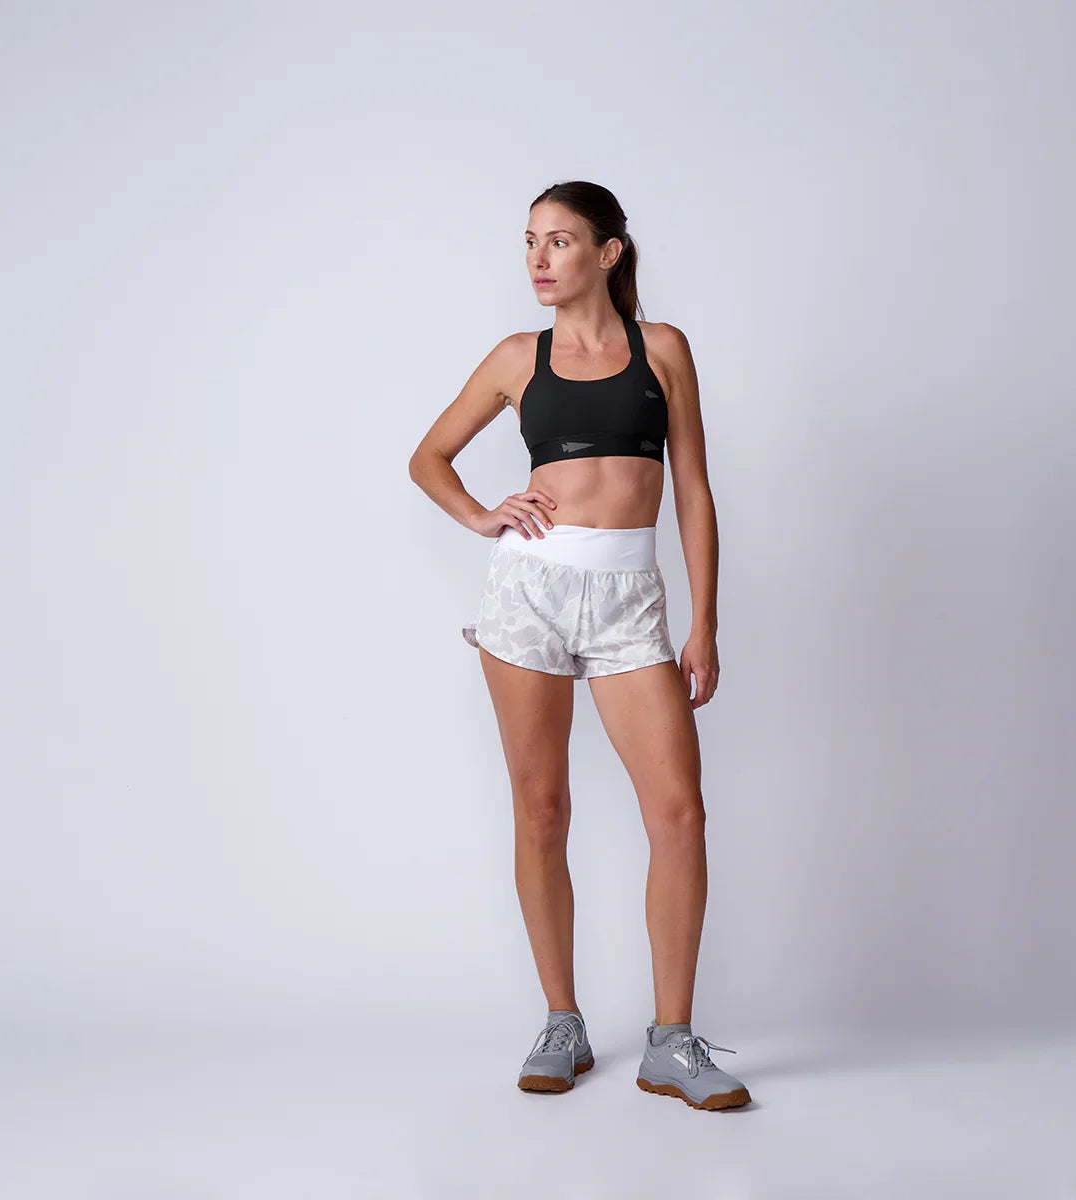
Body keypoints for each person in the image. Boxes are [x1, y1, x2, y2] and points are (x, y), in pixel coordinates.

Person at [408, 180, 750, 1111]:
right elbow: (426, 457)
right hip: (530, 595)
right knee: (542, 808)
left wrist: (704, 619)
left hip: (630, 601)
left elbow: (693, 494)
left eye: (560, 241)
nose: (539, 258)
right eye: (529, 242)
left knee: (679, 814)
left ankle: (671, 1044)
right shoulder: (518, 357)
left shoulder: (663, 350)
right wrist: (483, 516)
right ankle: (563, 1021)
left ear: (609, 252)